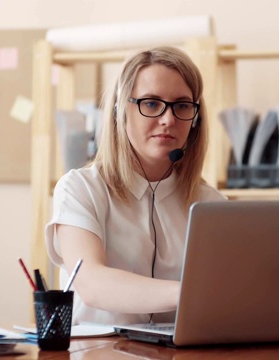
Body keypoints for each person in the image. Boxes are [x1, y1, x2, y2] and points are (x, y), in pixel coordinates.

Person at [44, 46, 226, 326]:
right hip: (99, 353)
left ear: (196, 119)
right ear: (120, 112)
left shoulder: (211, 204)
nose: (169, 119)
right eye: (151, 103)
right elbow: (92, 283)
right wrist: (189, 293)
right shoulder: (80, 189)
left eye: (182, 106)